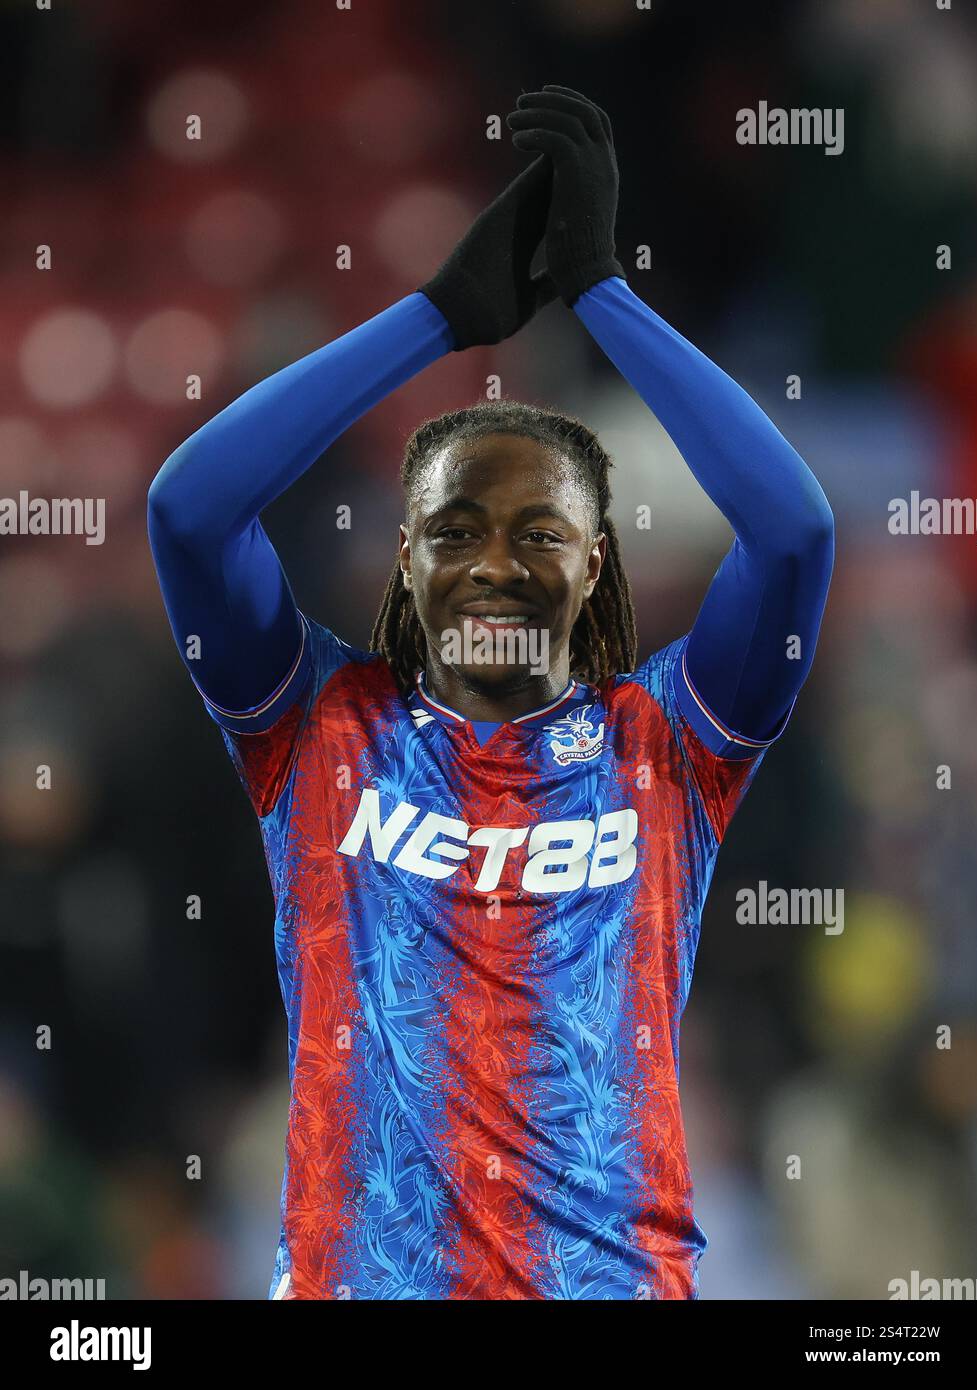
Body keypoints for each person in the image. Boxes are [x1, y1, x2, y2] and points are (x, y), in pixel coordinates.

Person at [147, 86, 834, 1299]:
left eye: (541, 531)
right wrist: (436, 318)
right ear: (405, 558)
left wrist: (604, 295)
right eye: (454, 530)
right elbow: (188, 511)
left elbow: (793, 533)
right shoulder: (317, 724)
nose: (498, 565)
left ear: (596, 561)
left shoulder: (670, 742)